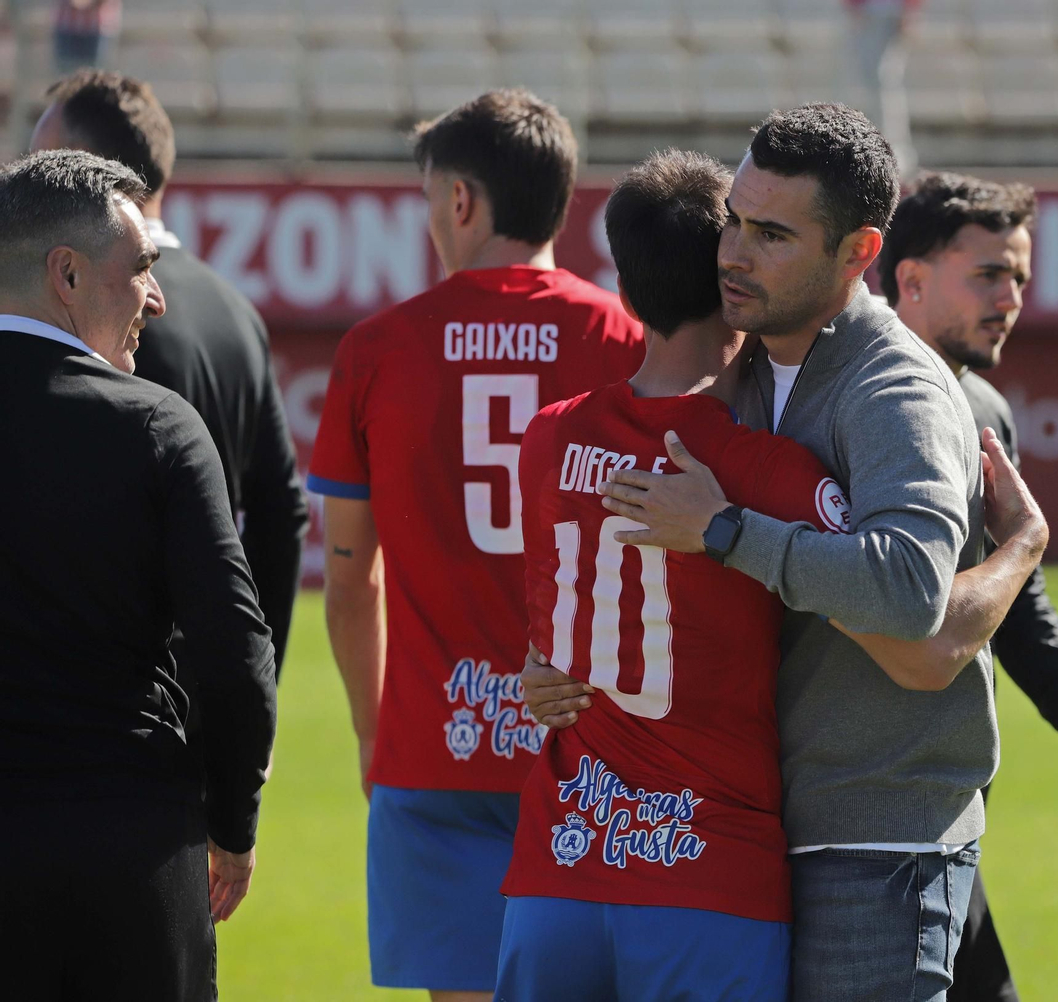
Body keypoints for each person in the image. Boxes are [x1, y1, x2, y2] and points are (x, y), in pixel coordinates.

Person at [529, 103, 1023, 1001]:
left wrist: (725, 531)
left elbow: (910, 593)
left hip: (875, 836)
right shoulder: (743, 366)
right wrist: (558, 665)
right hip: (738, 826)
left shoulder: (896, 393)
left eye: (772, 234)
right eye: (734, 222)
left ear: (859, 252)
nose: (734, 254)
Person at [307, 89, 644, 1002]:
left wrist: (377, 733)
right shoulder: (627, 340)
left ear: (461, 200)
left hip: (433, 746)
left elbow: (349, 581)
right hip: (597, 753)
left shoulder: (376, 349)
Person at [880, 171, 1058, 1002]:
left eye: (1020, 279)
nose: (1011, 298)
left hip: (944, 800)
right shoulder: (834, 395)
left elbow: (1017, 603)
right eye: (989, 275)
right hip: (845, 807)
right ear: (911, 277)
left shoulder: (985, 413)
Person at [0, 149, 276, 1001]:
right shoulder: (155, 426)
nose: (156, 297)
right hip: (131, 858)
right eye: (143, 268)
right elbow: (236, 657)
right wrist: (231, 826)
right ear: (69, 274)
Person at [31, 69, 309, 686]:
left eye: (39, 159)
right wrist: (252, 685)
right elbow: (279, 512)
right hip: (206, 699)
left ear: (82, 172)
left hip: (118, 705)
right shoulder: (236, 310)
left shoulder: (83, 312)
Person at [844, 0, 918, 178]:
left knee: (885, 81)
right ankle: (882, 145)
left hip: (891, 13)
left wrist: (909, 10)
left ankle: (894, 147)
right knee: (873, 81)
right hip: (869, 14)